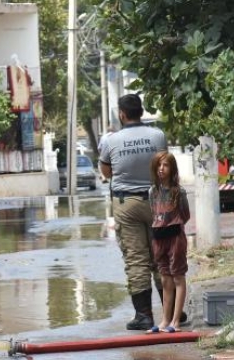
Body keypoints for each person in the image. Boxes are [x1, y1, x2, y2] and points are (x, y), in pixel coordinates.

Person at [99, 94, 177, 330]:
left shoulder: (111, 141)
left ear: (122, 114)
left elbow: (106, 172)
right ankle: (172, 312)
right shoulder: (157, 136)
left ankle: (144, 315)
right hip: (159, 202)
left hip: (127, 204)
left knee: (137, 259)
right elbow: (165, 165)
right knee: (162, 256)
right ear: (141, 112)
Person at [146, 151, 190, 334]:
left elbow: (185, 215)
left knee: (178, 277)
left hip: (175, 238)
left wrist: (173, 225)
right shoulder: (152, 192)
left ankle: (176, 321)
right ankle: (164, 320)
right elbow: (153, 213)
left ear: (172, 169)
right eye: (158, 165)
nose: (161, 169)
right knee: (165, 279)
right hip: (159, 238)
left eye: (165, 165)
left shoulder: (179, 191)